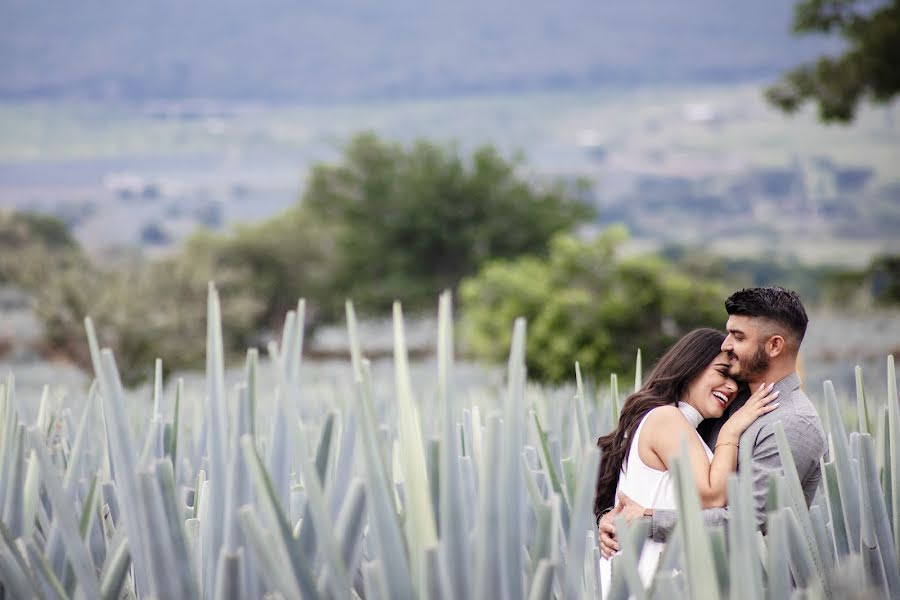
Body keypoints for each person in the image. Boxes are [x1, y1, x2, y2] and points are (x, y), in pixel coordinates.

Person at [598, 287, 827, 565]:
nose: (726, 344)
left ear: (775, 345)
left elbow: (748, 522)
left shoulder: (793, 423)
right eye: (728, 332)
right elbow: (658, 476)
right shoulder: (722, 405)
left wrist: (647, 520)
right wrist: (611, 517)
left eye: (738, 336)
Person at [593, 327, 780, 592]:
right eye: (722, 372)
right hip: (648, 580)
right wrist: (731, 430)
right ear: (691, 366)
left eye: (737, 384)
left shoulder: (679, 425)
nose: (731, 388)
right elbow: (712, 498)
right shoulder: (666, 418)